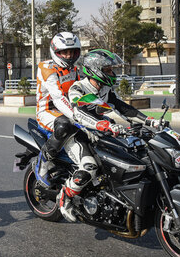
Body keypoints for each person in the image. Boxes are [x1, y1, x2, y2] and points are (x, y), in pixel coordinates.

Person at [57, 49, 161, 222]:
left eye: (111, 69)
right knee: (89, 167)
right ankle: (65, 196)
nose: (111, 73)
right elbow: (79, 112)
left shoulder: (105, 88)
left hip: (101, 132)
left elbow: (122, 108)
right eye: (107, 70)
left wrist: (149, 121)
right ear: (94, 70)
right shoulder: (78, 87)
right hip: (78, 133)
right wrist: (102, 124)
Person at [34, 32, 81, 187]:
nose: (68, 56)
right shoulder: (46, 68)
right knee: (65, 125)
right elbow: (59, 98)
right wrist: (77, 116)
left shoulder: (75, 69)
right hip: (48, 111)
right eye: (64, 52)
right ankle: (43, 163)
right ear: (56, 52)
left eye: (72, 52)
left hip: (68, 110)